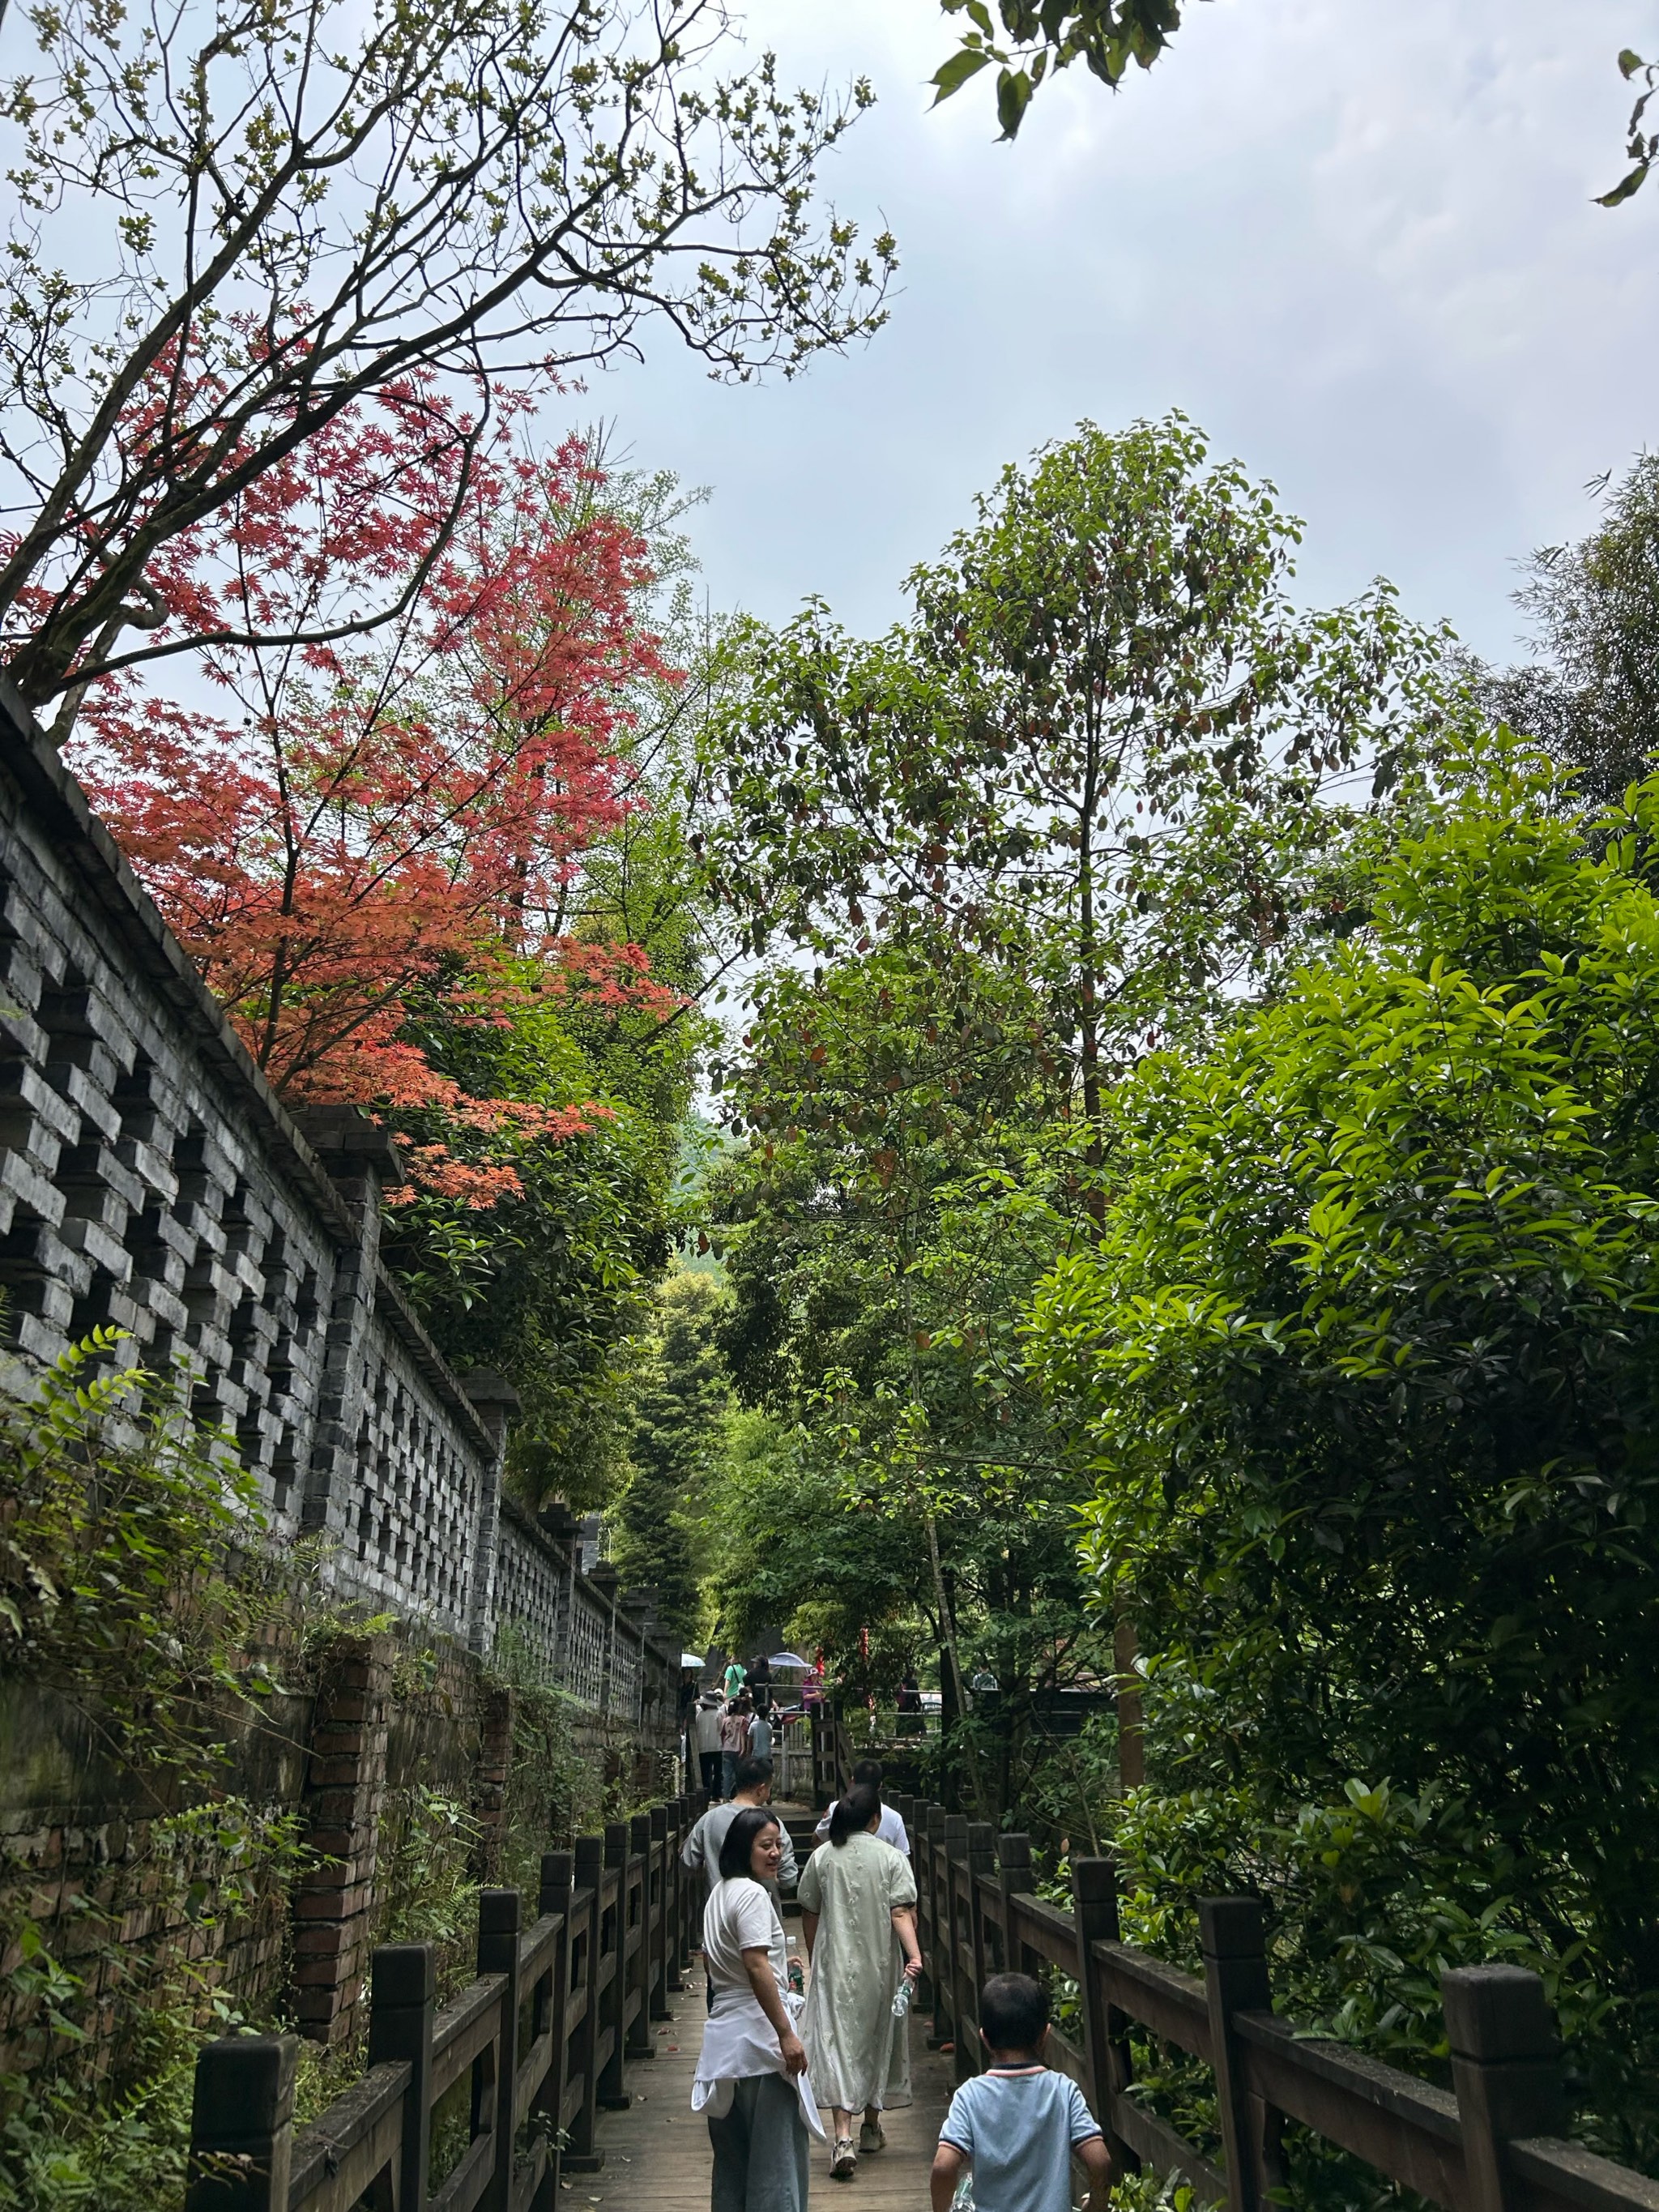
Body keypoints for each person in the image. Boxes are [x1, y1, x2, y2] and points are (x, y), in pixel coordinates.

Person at [692, 1804, 823, 2212]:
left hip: (725, 2044)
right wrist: (786, 2033)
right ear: (741, 1849)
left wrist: (783, 1968)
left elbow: (717, 1962)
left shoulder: (720, 1893)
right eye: (765, 1846)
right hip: (760, 2043)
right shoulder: (752, 1894)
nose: (776, 1853)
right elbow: (755, 1963)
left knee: (733, 2165)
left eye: (778, 1845)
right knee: (776, 2164)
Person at [797, 1782, 923, 2183]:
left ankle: (842, 2137)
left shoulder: (821, 1857)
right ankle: (871, 2126)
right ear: (875, 1819)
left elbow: (809, 1909)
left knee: (839, 2042)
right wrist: (915, 1955)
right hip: (880, 1964)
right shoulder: (890, 1858)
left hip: (835, 1965)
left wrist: (815, 1953)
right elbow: (901, 1911)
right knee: (875, 2035)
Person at [930, 1972, 1111, 2212]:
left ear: (984, 2038)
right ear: (1044, 2035)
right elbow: (1100, 2161)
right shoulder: (1062, 2090)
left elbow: (943, 2167)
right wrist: (1097, 2205)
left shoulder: (970, 2095)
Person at [682, 1758, 799, 1897]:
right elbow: (788, 1878)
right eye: (769, 1788)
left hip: (719, 1908)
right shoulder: (772, 1825)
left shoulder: (709, 1819)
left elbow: (688, 1861)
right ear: (761, 1789)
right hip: (760, 1909)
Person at [814, 1758, 911, 1856]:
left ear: (853, 1781)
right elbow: (904, 1857)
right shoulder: (894, 1818)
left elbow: (817, 1839)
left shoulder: (836, 1808)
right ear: (880, 1785)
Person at [720, 1694, 753, 1800]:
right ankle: (738, 1796)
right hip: (738, 1749)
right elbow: (743, 1735)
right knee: (738, 1774)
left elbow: (722, 1735)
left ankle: (725, 1797)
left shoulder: (725, 1720)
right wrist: (744, 1749)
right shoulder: (743, 1720)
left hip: (726, 1748)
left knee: (727, 1775)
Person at [694, 1689, 725, 1799]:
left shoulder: (700, 1715)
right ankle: (716, 1794)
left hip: (703, 1747)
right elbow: (722, 1730)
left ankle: (706, 1793)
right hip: (717, 1746)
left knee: (705, 1772)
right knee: (718, 1772)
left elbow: (697, 1730)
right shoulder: (719, 1714)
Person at [747, 1698, 775, 1764]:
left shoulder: (753, 1725)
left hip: (756, 1755)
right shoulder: (769, 1726)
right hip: (767, 1755)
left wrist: (748, 1754)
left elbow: (750, 1741)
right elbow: (770, 1739)